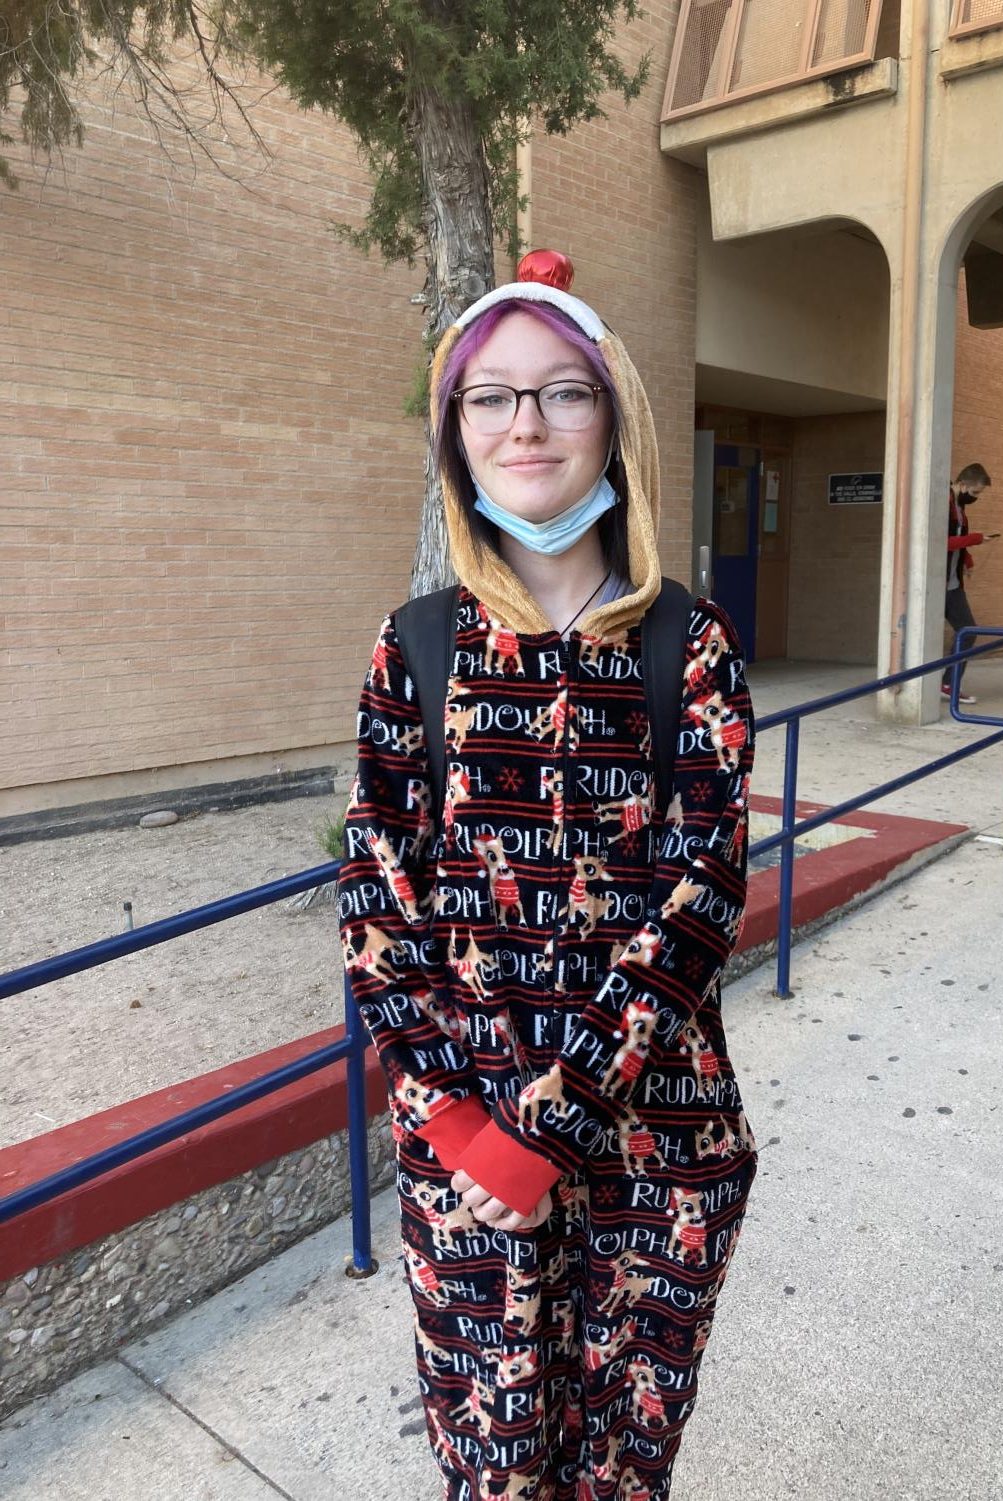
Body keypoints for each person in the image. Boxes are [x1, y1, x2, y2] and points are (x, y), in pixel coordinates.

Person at [336, 249, 757, 1500]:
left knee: (625, 1472)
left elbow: (702, 899)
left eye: (564, 391)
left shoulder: (689, 641)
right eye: (492, 396)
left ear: (613, 419)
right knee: (497, 1470)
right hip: (465, 1159)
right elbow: (377, 911)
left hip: (657, 1153)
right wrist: (473, 1133)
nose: (528, 423)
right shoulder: (414, 648)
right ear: (456, 432)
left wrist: (550, 1130)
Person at [943, 461, 1000, 705]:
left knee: (967, 631)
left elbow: (957, 541)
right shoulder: (943, 503)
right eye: (975, 492)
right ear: (963, 484)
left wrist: (967, 560)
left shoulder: (960, 508)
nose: (976, 497)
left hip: (953, 585)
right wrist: (976, 539)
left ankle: (948, 684)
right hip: (935, 584)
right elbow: (940, 542)